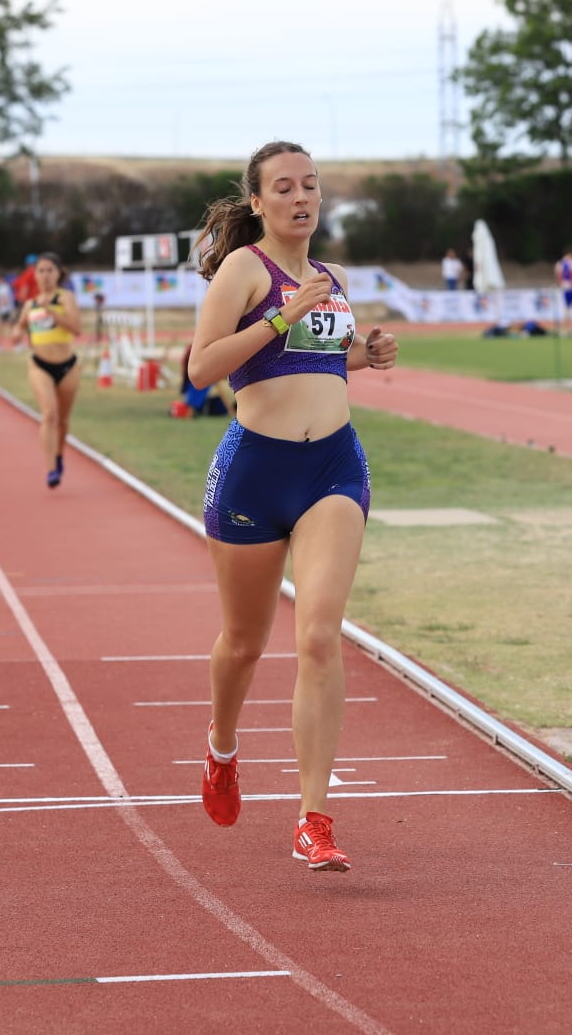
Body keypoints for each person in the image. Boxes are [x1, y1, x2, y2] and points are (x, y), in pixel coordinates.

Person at [186, 140, 398, 874]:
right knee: (244, 643)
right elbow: (203, 365)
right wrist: (281, 317)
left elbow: (319, 362)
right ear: (258, 202)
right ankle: (221, 748)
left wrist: (368, 354)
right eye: (285, 187)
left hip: (333, 467)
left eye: (311, 185)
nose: (302, 198)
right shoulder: (246, 271)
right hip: (254, 470)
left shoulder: (332, 278)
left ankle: (314, 817)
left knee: (317, 637)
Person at [11, 253, 82, 487]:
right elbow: (19, 329)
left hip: (67, 365)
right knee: (49, 414)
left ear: (58, 273)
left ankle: (59, 454)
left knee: (62, 420)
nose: (45, 275)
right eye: (40, 271)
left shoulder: (65, 298)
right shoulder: (30, 304)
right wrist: (17, 333)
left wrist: (52, 312)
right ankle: (51, 469)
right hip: (40, 364)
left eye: (50, 270)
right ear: (35, 275)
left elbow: (76, 328)